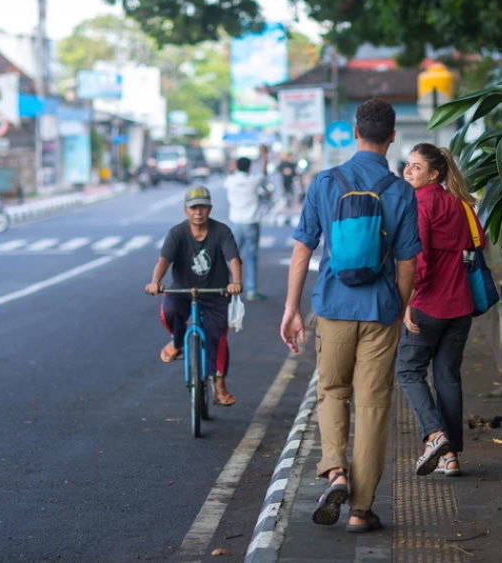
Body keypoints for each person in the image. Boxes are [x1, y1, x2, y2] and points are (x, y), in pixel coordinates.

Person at [279, 98, 421, 533]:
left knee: (332, 391)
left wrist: (292, 309)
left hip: (334, 307)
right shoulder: (401, 191)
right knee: (374, 405)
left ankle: (335, 471)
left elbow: (303, 250)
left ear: (355, 132)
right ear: (393, 136)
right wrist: (397, 308)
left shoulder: (326, 182)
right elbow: (408, 261)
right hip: (380, 311)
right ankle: (361, 509)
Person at [395, 143, 483, 478]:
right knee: (447, 376)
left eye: (416, 167)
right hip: (460, 305)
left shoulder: (420, 203)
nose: (408, 170)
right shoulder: (459, 203)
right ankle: (451, 458)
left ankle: (435, 435)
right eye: (408, 164)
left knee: (408, 370)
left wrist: (405, 302)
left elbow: (420, 262)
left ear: (434, 173)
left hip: (427, 306)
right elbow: (478, 242)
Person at [145, 185, 244, 406]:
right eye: (193, 208)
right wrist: (155, 282)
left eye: (202, 207)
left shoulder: (222, 231)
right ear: (185, 211)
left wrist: (236, 283)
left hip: (215, 293)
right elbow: (164, 260)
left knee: (217, 338)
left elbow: (234, 259)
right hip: (182, 290)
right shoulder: (177, 233)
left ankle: (219, 384)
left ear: (210, 208)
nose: (198, 212)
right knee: (169, 312)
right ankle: (178, 342)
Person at [225, 146, 269, 301]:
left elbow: (231, 169)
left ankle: (226, 284)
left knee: (231, 256)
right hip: (252, 222)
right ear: (250, 167)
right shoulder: (254, 180)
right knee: (251, 256)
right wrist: (265, 155)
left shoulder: (230, 180)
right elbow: (264, 173)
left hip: (236, 222)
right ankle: (251, 290)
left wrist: (232, 156)